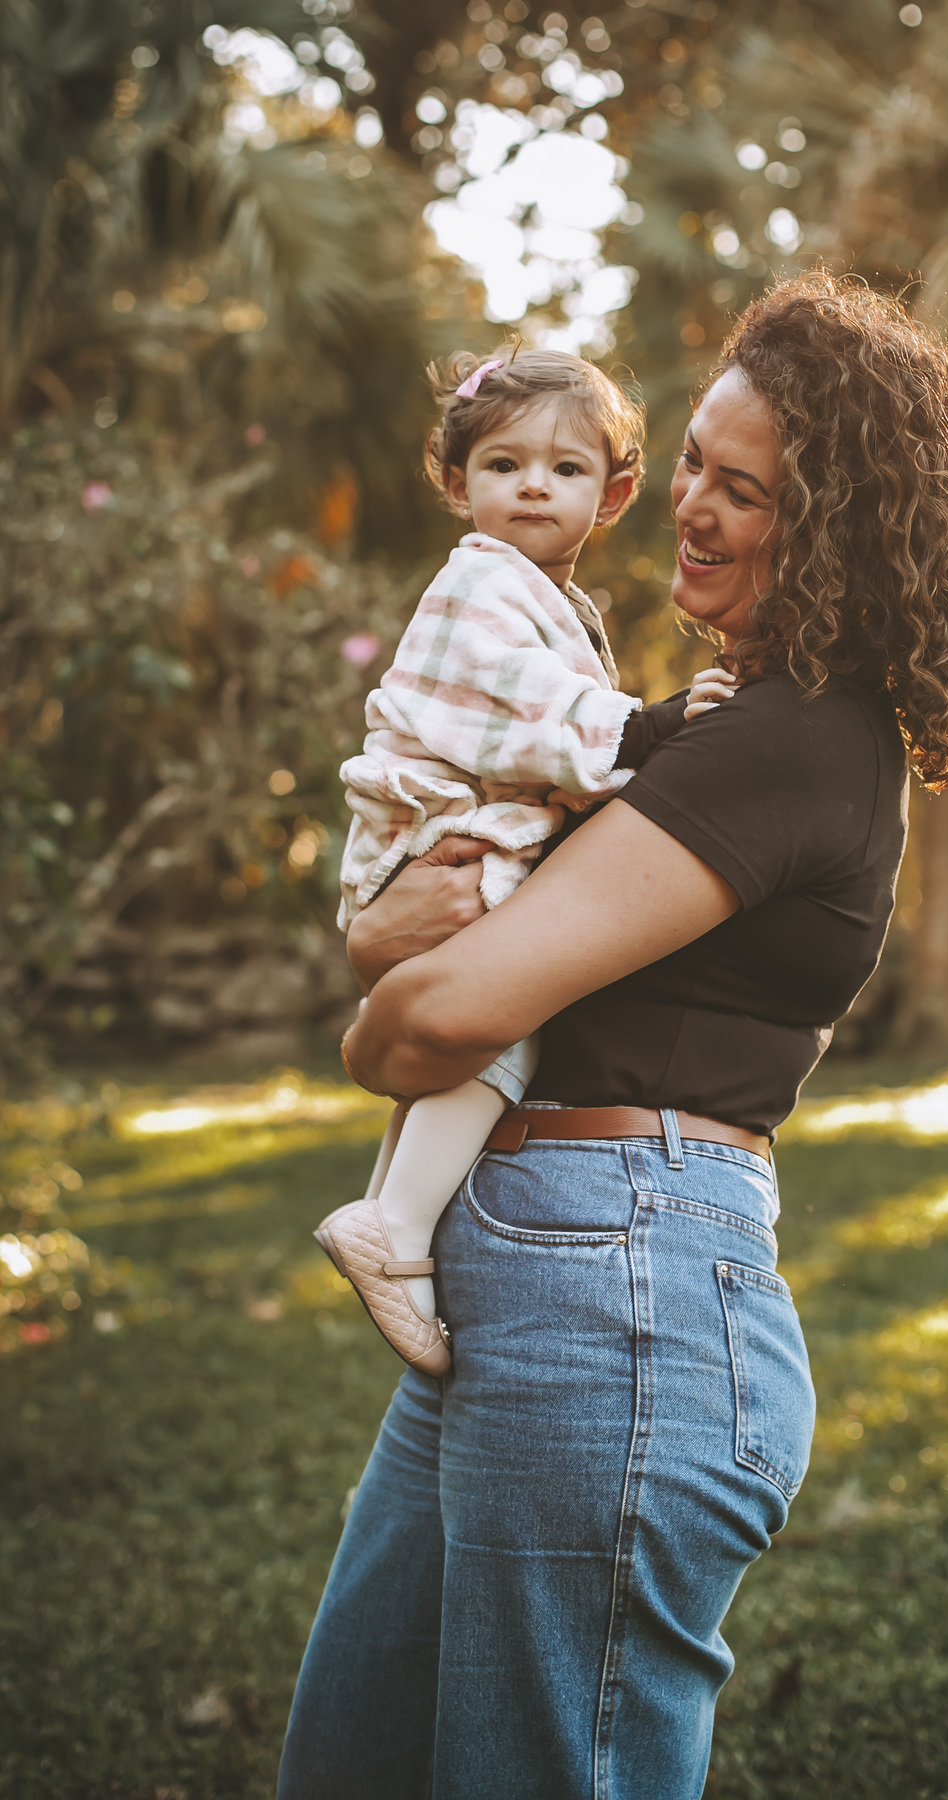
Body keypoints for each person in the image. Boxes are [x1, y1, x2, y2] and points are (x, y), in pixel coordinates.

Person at [278, 273, 948, 1800]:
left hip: (616, 1295)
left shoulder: (788, 737)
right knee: (355, 1762)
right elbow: (428, 944)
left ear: (830, 528)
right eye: (692, 459)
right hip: (540, 1280)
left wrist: (384, 1002)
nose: (690, 505)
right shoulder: (713, 716)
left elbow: (433, 1017)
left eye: (743, 491)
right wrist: (394, 957)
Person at [319, 345, 734, 1372]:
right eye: (504, 466)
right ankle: (396, 1227)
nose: (534, 485)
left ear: (612, 495)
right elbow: (509, 699)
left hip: (452, 835)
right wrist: (647, 729)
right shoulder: (479, 584)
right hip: (435, 838)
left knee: (473, 1034)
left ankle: (389, 1219)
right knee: (507, 1014)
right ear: (457, 485)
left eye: (565, 468)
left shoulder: (539, 593)